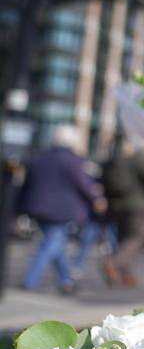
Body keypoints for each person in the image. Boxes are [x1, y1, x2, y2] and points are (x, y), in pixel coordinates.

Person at [18, 125, 105, 294]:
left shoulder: (39, 158)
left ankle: (65, 280)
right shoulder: (72, 161)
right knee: (51, 244)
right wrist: (97, 199)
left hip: (37, 208)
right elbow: (84, 185)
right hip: (60, 210)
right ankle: (30, 280)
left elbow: (27, 184)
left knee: (55, 243)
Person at [100, 142, 144, 287]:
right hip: (136, 205)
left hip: (116, 206)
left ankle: (127, 277)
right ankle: (112, 263)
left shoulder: (111, 161)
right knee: (137, 238)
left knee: (123, 241)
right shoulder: (140, 160)